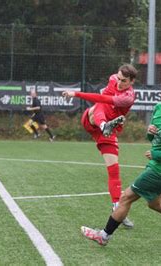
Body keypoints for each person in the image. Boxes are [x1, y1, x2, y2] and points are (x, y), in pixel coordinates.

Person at [80, 81, 161, 249]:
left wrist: (157, 154)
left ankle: (104, 236)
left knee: (125, 198)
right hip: (155, 165)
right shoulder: (159, 108)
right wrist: (150, 133)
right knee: (155, 203)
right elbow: (153, 138)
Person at [62, 64, 138, 228]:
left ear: (132, 82)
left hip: (108, 133)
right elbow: (101, 100)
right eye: (118, 78)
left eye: (123, 81)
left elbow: (104, 97)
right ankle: (104, 125)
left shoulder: (128, 97)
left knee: (114, 170)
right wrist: (75, 93)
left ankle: (117, 208)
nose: (119, 82)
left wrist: (75, 93)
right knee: (100, 105)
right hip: (93, 120)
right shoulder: (113, 79)